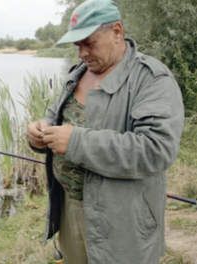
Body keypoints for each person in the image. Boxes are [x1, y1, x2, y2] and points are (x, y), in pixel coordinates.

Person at [26, 0, 184, 263]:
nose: (82, 53)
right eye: (78, 45)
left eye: (89, 43)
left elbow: (156, 150)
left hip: (122, 223)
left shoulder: (152, 80)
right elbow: (56, 118)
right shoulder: (77, 74)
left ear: (117, 31)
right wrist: (39, 133)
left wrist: (76, 142)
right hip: (70, 211)